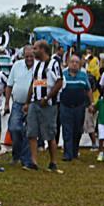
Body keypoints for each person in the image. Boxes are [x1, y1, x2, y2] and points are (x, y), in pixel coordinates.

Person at [24, 40, 63, 171]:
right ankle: (33, 162)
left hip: (48, 104)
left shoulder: (53, 64)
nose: (33, 51)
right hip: (35, 102)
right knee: (32, 132)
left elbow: (59, 82)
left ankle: (53, 162)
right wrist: (27, 102)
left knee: (50, 133)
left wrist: (47, 97)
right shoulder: (36, 65)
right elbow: (33, 83)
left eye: (35, 49)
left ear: (42, 49)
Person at [5, 49, 35, 166]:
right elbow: (9, 85)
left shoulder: (39, 67)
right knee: (14, 128)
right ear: (23, 56)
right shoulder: (17, 66)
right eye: (27, 56)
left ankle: (26, 159)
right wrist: (7, 103)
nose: (29, 59)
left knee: (28, 132)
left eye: (31, 56)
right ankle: (16, 154)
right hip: (17, 104)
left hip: (32, 105)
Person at [59, 54, 92, 161]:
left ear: (80, 64)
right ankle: (67, 154)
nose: (74, 64)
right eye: (72, 62)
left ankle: (74, 151)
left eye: (77, 62)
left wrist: (91, 103)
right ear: (68, 63)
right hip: (65, 106)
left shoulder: (83, 75)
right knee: (67, 130)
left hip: (79, 106)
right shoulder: (62, 74)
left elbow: (88, 89)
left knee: (78, 130)